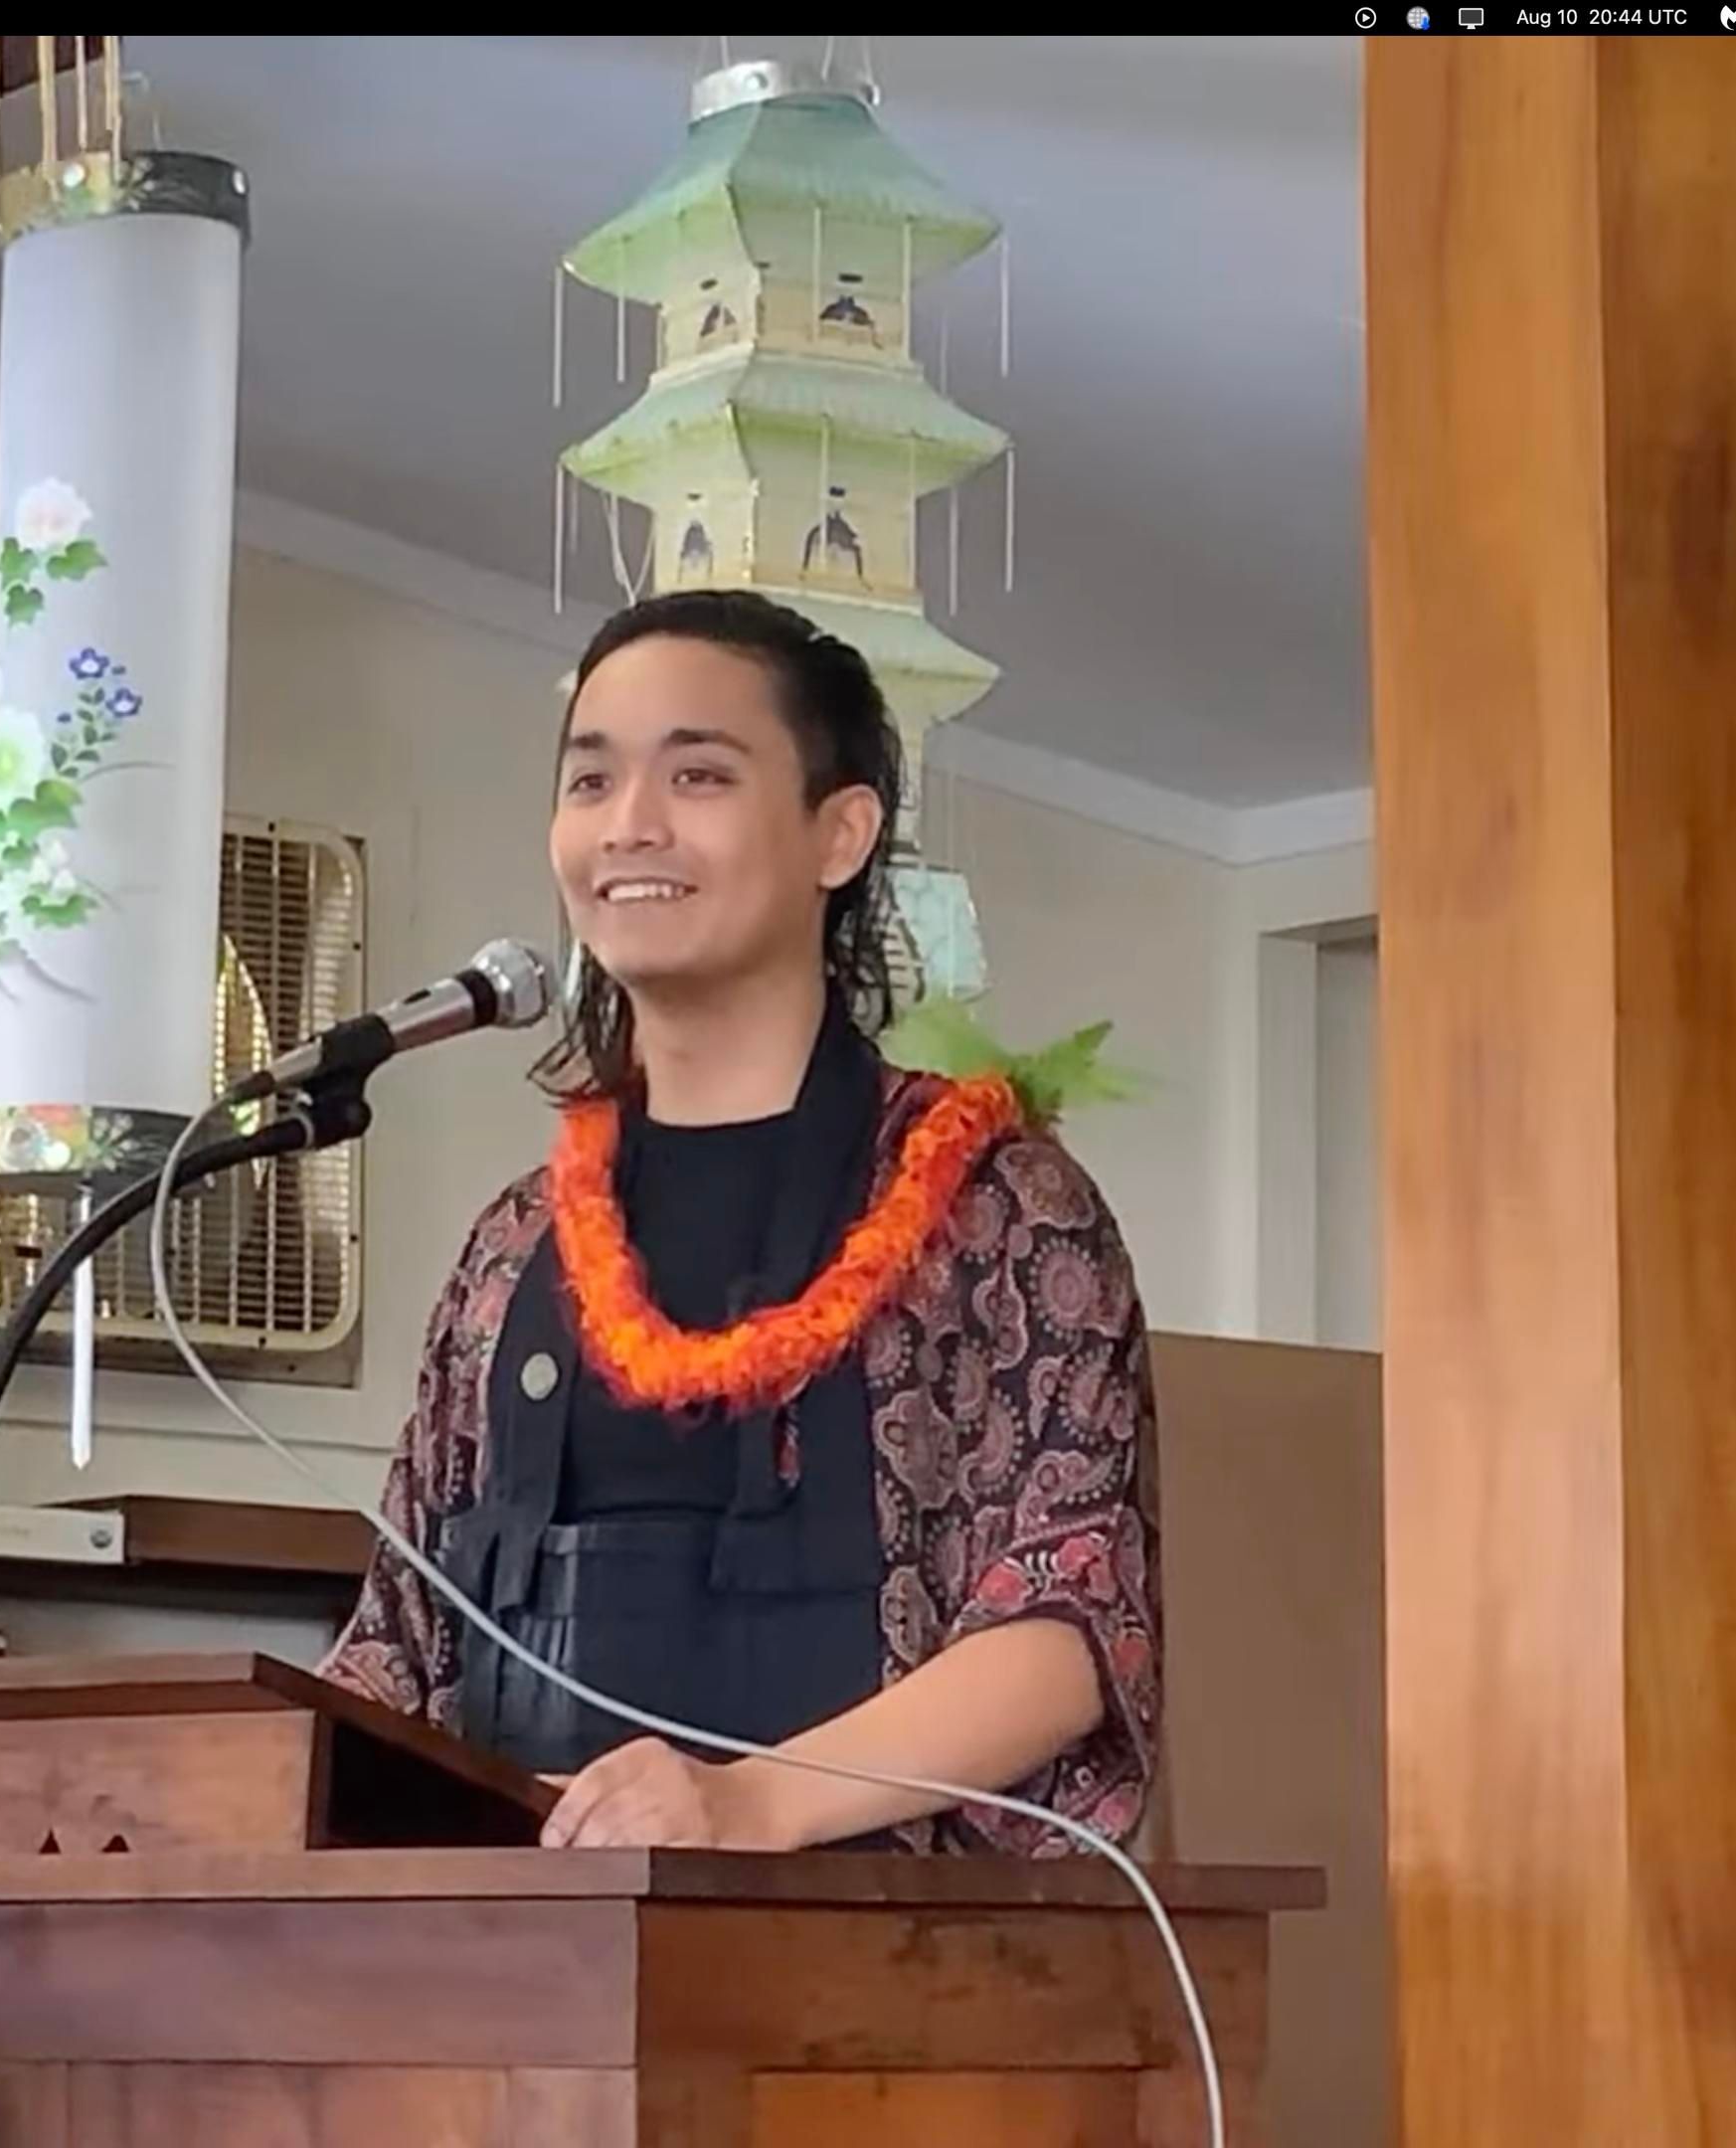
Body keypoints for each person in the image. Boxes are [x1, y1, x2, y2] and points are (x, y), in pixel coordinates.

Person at [322, 588, 1161, 1855]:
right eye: (590, 783)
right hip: (522, 1976)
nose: (630, 827)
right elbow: (401, 1643)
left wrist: (742, 1804)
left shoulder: (999, 1210)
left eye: (698, 775)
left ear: (841, 834)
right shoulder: (514, 1248)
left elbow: (1065, 1620)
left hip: (875, 1975)